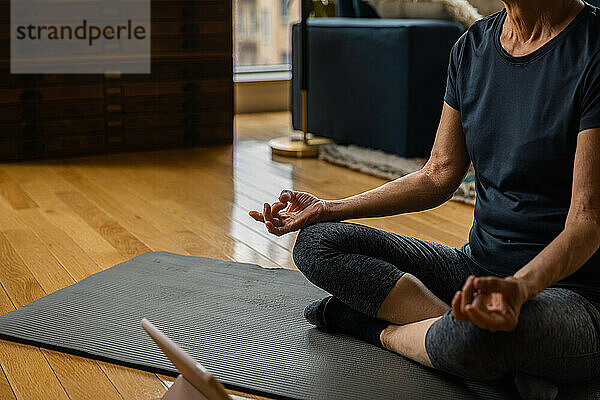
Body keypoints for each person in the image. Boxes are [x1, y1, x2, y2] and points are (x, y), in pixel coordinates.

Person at [250, 0, 600, 395]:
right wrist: (328, 208)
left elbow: (586, 223)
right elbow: (437, 174)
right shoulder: (473, 47)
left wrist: (518, 289)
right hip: (475, 271)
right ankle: (458, 341)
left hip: (574, 297)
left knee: (481, 336)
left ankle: (377, 330)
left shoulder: (593, 50)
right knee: (318, 242)